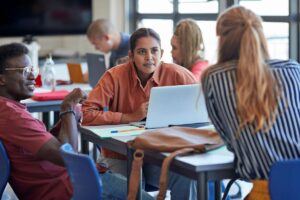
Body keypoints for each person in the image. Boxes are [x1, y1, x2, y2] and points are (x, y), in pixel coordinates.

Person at [0, 43, 153, 200]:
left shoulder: (9, 109)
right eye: (25, 71)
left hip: (67, 182)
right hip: (71, 188)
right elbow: (68, 156)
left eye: (33, 70)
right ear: (2, 79)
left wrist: (68, 117)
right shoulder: (12, 116)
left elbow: (46, 144)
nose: (33, 77)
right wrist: (68, 108)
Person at [82, 28, 197, 199]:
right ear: (131, 56)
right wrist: (129, 117)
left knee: (186, 178)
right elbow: (87, 114)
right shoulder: (114, 76)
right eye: (142, 51)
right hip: (121, 155)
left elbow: (202, 110)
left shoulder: (179, 75)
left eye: (154, 51)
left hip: (158, 156)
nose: (149, 57)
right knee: (135, 191)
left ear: (162, 53)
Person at [201, 6, 300, 200]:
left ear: (222, 40)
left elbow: (229, 141)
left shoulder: (214, 77)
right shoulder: (293, 69)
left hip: (271, 190)